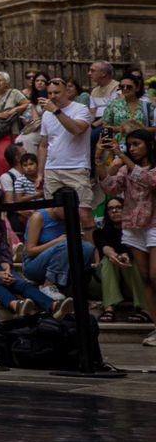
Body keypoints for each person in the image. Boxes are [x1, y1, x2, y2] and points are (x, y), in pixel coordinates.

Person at [100, 128, 156, 345]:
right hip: (133, 225)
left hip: (154, 223)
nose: (132, 149)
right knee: (145, 280)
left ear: (149, 145)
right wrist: (100, 160)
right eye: (129, 145)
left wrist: (123, 157)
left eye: (136, 144)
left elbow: (151, 181)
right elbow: (110, 187)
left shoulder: (141, 166)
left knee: (154, 276)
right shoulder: (125, 168)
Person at [37, 73, 95, 209]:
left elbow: (77, 130)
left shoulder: (80, 109)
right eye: (50, 93)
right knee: (53, 212)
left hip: (76, 167)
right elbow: (43, 145)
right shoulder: (46, 114)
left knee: (83, 210)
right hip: (52, 169)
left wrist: (57, 112)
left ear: (67, 92)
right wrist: (40, 173)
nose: (52, 97)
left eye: (57, 93)